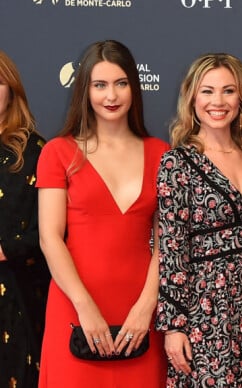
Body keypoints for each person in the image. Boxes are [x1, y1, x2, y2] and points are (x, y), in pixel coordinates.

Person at [36, 40, 169, 387]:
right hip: (74, 304)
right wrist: (84, 307)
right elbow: (50, 239)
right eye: (100, 85)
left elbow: (167, 241)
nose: (111, 95)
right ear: (85, 90)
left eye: (121, 83)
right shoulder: (58, 152)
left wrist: (147, 307)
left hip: (140, 311)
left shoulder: (161, 153)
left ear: (134, 89)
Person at [156, 53, 242, 387]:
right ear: (191, 97)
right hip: (206, 310)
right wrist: (174, 326)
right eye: (207, 91)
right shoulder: (177, 163)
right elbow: (172, 247)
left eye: (228, 91)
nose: (217, 101)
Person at [0, 50, 50, 388]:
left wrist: (7, 249)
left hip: (15, 299)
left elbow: (51, 231)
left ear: (12, 88)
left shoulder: (36, 151)